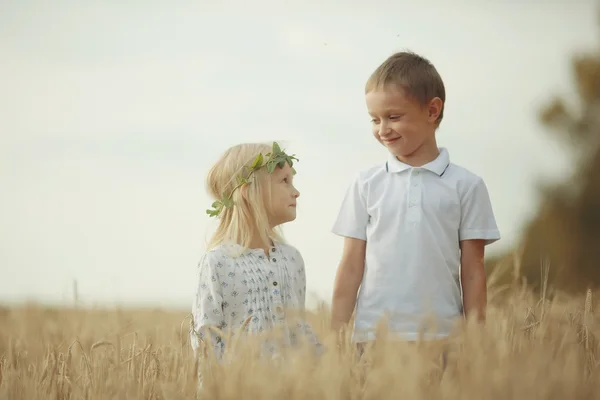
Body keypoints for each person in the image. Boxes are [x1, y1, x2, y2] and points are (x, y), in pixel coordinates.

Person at [330, 51, 501, 355]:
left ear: (432, 111)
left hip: (443, 339)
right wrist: (335, 336)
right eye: (375, 119)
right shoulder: (366, 184)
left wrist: (475, 339)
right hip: (373, 337)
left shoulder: (466, 185)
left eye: (394, 117)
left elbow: (473, 269)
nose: (382, 129)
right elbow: (351, 265)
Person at [190, 142, 320, 362]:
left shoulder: (292, 259)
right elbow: (206, 342)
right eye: (284, 181)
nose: (296, 192)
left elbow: (299, 329)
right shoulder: (218, 262)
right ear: (249, 192)